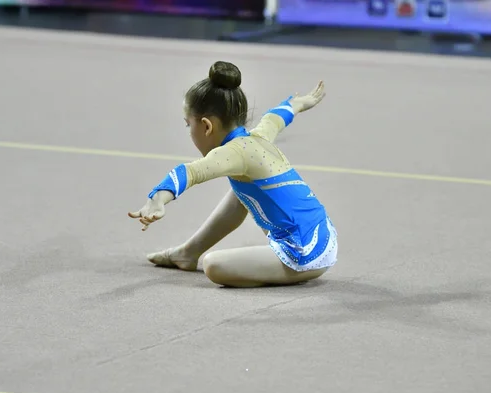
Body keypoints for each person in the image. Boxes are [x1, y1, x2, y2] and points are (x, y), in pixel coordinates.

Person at [128, 61, 338, 288]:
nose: (189, 131)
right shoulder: (257, 137)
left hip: (304, 254)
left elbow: (191, 172)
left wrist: (157, 198)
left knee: (214, 266)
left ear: (207, 126)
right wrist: (296, 104)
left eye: (188, 124)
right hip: (324, 237)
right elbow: (274, 118)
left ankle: (274, 273)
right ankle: (188, 253)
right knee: (240, 190)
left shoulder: (234, 153)